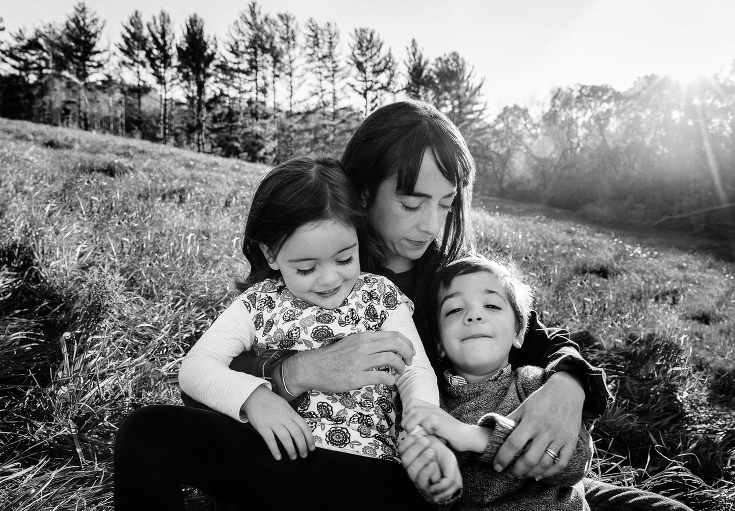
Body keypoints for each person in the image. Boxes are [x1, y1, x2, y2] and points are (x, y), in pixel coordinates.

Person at [218, 100, 692, 510]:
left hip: (510, 472)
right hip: (401, 482)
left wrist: (568, 387)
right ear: (363, 192)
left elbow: (541, 339)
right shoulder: (318, 272)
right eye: (411, 203)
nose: (429, 225)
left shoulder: (448, 276)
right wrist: (295, 371)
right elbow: (219, 367)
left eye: (445, 204)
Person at [114, 155, 456, 510]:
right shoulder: (259, 302)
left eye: (343, 259)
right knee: (145, 432)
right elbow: (197, 367)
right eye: (306, 268)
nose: (329, 279)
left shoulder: (379, 295)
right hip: (276, 459)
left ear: (358, 235)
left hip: (365, 471)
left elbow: (414, 369)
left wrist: (421, 429)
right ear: (271, 254)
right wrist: (255, 399)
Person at [399, 256, 593, 510]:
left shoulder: (536, 385)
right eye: (455, 309)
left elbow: (575, 462)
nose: (474, 315)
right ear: (439, 345)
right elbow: (438, 496)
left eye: (491, 305)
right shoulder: (432, 406)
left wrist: (473, 437)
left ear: (519, 332)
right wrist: (439, 488)